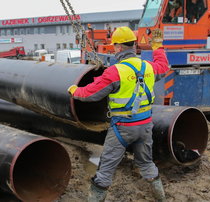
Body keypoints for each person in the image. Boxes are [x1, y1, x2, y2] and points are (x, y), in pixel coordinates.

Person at [67, 27, 169, 202]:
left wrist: (75, 90)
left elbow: (91, 94)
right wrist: (158, 47)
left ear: (119, 48)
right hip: (145, 126)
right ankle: (161, 198)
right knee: (146, 164)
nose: (114, 50)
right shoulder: (148, 67)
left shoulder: (115, 72)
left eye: (115, 46)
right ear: (133, 45)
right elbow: (163, 67)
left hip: (123, 128)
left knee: (106, 169)